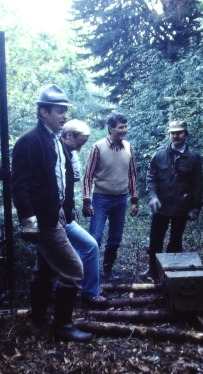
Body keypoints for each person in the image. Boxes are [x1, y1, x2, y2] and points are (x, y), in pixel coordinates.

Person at [11, 84, 92, 342]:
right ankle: (63, 327)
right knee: (73, 268)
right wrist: (29, 222)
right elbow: (19, 186)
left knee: (45, 270)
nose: (64, 116)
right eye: (59, 111)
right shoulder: (29, 141)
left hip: (56, 215)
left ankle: (39, 317)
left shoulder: (56, 140)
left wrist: (67, 210)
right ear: (43, 112)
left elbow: (63, 178)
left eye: (65, 110)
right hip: (44, 221)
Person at [142, 120, 203, 278]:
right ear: (169, 134)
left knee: (175, 241)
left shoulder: (193, 158)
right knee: (155, 240)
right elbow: (151, 177)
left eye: (179, 132)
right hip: (161, 206)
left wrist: (196, 207)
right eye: (172, 133)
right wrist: (153, 196)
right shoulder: (160, 154)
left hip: (181, 207)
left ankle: (170, 272)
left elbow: (197, 184)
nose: (175, 136)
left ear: (186, 134)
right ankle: (153, 270)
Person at [82, 112, 139, 281]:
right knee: (95, 238)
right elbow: (88, 176)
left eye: (126, 127)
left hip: (121, 199)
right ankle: (90, 273)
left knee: (115, 238)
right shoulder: (98, 147)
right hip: (101, 198)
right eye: (121, 127)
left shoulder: (129, 148)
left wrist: (134, 199)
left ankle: (107, 270)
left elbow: (132, 175)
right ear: (111, 128)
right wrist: (86, 200)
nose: (124, 130)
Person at [60, 119, 107, 305]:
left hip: (66, 216)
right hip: (52, 218)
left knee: (89, 246)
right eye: (79, 144)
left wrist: (72, 155)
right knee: (54, 260)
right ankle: (58, 298)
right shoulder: (52, 151)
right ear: (68, 135)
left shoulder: (68, 153)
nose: (80, 149)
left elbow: (77, 176)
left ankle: (88, 292)